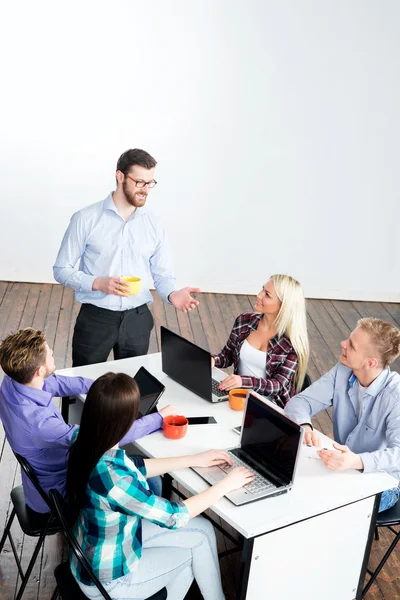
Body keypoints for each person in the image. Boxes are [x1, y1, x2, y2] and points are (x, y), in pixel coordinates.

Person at [67, 372, 253, 600]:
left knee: (203, 531)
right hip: (110, 578)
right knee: (190, 558)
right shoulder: (115, 480)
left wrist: (194, 459)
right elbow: (174, 516)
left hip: (100, 549)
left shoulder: (85, 440)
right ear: (124, 422)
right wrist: (226, 484)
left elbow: (135, 465)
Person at [0, 328, 176, 514]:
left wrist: (104, 388)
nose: (52, 353)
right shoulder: (41, 424)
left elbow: (57, 383)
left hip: (43, 481)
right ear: (40, 370)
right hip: (60, 495)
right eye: (49, 353)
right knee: (151, 481)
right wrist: (159, 418)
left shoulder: (13, 382)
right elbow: (104, 439)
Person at [53, 148, 200, 367]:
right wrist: (97, 283)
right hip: (96, 319)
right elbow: (61, 269)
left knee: (133, 390)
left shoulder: (153, 224)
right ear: (119, 176)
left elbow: (163, 275)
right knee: (83, 387)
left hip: (137, 320)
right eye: (139, 182)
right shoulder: (85, 219)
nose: (145, 190)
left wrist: (172, 294)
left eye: (150, 183)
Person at [284, 317, 400, 512]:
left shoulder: (395, 395)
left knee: (322, 507)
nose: (343, 344)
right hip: (341, 470)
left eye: (352, 345)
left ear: (370, 363)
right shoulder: (343, 371)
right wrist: (304, 425)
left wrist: (356, 461)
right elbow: (300, 402)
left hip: (384, 483)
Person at [212, 274, 309, 407]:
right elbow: (226, 356)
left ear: (283, 305)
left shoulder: (292, 344)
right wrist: (212, 360)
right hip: (239, 399)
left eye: (267, 294)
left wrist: (243, 381)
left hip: (271, 409)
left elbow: (278, 385)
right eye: (262, 289)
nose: (259, 295)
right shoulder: (244, 321)